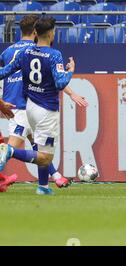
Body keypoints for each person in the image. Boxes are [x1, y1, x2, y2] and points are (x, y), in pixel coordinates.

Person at [0, 15, 88, 192]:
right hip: (46, 108)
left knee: (39, 146)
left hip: (29, 106)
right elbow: (60, 83)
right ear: (50, 33)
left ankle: (43, 186)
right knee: (44, 157)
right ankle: (9, 151)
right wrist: (71, 71)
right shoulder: (54, 55)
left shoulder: (24, 53)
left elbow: (5, 71)